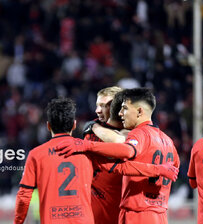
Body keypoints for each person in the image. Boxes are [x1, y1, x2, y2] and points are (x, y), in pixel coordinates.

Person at [14, 97, 179, 224]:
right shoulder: (86, 152)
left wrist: (18, 221)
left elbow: (24, 195)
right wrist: (159, 170)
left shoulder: (36, 155)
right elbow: (123, 168)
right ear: (74, 125)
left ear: (48, 126)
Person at [56, 88, 180, 224]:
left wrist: (88, 144)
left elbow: (126, 151)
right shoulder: (168, 141)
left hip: (134, 212)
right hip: (158, 213)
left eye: (124, 108)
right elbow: (173, 169)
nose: (98, 110)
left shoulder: (136, 135)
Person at [84, 87, 126, 224]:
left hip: (122, 211)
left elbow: (120, 140)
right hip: (95, 212)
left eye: (103, 106)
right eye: (97, 105)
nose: (97, 110)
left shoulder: (134, 132)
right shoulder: (90, 133)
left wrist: (93, 126)